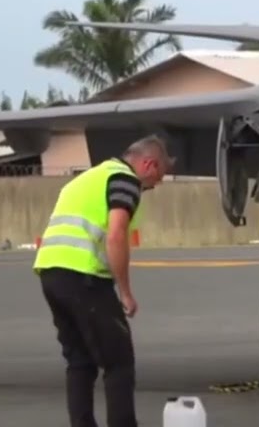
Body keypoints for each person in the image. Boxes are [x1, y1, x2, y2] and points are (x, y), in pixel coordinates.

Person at [32, 135, 174, 427]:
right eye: (156, 178)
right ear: (148, 164)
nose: (153, 186)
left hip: (51, 273)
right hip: (84, 277)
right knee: (119, 361)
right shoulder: (125, 180)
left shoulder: (89, 178)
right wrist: (125, 291)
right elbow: (116, 233)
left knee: (80, 361)